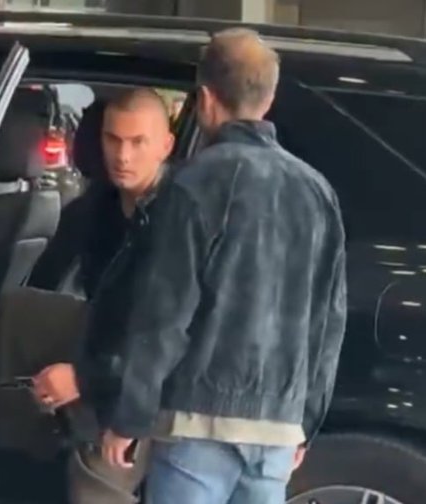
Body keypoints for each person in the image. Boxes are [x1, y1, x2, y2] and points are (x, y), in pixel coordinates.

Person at [99, 29, 348, 504]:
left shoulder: (194, 184)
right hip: (277, 428)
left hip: (198, 424)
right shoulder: (317, 193)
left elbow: (164, 316)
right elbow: (327, 324)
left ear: (206, 99)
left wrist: (129, 417)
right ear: (268, 99)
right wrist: (306, 421)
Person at [29, 88, 174, 504]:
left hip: (150, 402)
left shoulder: (176, 218)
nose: (122, 156)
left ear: (165, 146)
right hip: (111, 388)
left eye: (137, 142)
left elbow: (164, 332)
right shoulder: (97, 211)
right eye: (113, 140)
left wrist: (85, 379)